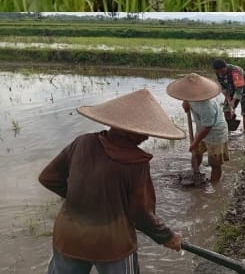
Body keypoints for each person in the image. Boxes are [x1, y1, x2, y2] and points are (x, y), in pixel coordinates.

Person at [38, 88, 184, 273]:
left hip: (69, 236)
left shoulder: (82, 142)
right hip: (113, 244)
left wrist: (82, 198)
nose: (146, 137)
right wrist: (168, 237)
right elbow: (141, 214)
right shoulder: (136, 162)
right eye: (143, 132)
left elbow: (49, 178)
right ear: (129, 131)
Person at [166, 73, 229, 183]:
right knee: (196, 152)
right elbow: (186, 100)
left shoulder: (206, 106)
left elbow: (207, 127)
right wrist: (186, 103)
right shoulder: (190, 96)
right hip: (202, 129)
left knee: (215, 163)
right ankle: (195, 172)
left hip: (215, 133)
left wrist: (195, 142)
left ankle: (214, 186)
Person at [212, 59, 245, 133]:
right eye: (218, 71)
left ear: (225, 67)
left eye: (222, 71)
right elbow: (224, 87)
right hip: (231, 88)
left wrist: (233, 101)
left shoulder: (236, 71)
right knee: (226, 110)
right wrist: (229, 100)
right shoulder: (218, 72)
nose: (220, 73)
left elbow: (239, 89)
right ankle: (228, 131)